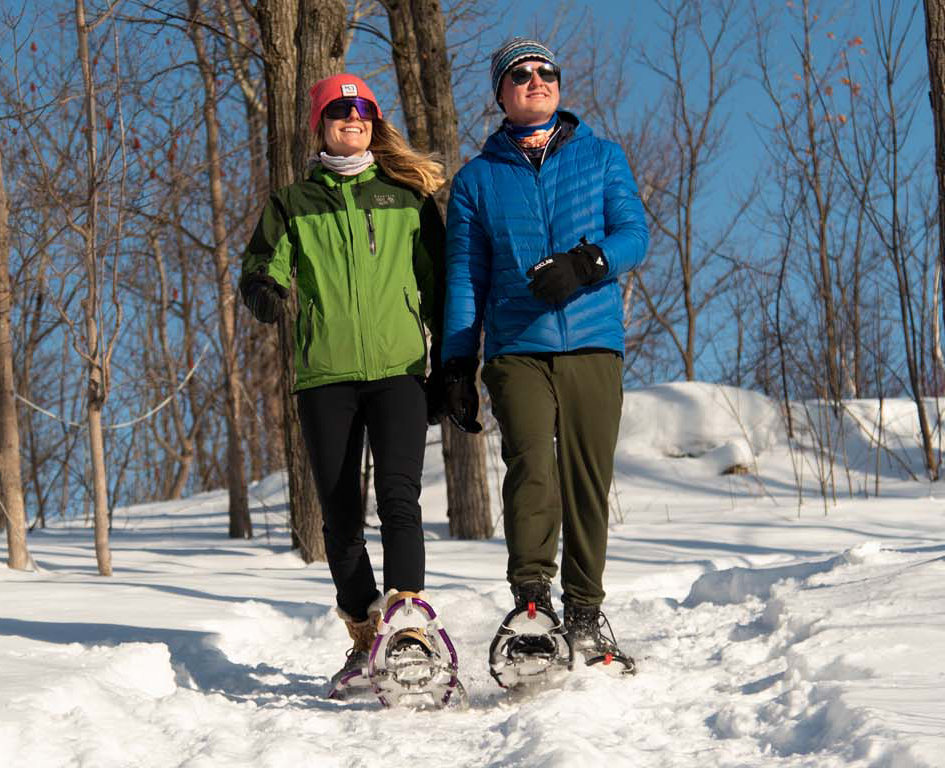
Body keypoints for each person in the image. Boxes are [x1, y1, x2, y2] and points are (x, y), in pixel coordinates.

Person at [441, 39, 649, 672]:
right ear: (500, 94)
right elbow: (463, 278)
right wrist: (455, 364)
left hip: (592, 343)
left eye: (546, 72)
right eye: (520, 75)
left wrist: (588, 263)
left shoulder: (602, 156)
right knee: (532, 465)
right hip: (516, 349)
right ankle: (533, 609)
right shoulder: (477, 179)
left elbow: (634, 233)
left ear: (558, 85)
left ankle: (585, 614)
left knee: (589, 478)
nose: (536, 80)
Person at [238, 74, 448, 694]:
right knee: (338, 514)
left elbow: (437, 284)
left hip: (398, 371)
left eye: (361, 110)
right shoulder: (292, 203)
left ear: (373, 122)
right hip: (324, 375)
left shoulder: (406, 197)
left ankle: (408, 628)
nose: (351, 117)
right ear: (320, 123)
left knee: (400, 499)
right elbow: (259, 266)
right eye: (338, 109)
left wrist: (452, 364)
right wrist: (263, 291)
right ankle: (364, 632)